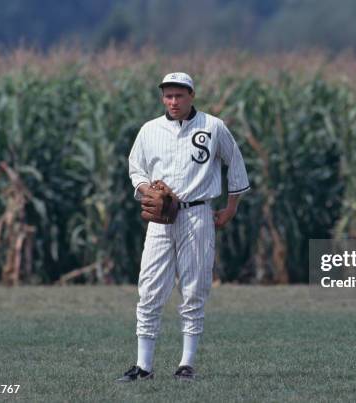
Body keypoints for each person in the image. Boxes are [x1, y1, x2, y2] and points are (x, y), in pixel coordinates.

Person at [116, 72, 250, 382]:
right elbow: (135, 167)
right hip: (161, 219)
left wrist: (231, 207)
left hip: (198, 214)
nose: (173, 101)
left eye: (179, 95)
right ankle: (143, 366)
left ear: (191, 95)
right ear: (162, 97)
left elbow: (236, 162)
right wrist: (146, 189)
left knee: (194, 289)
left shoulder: (212, 126)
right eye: (168, 95)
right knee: (149, 290)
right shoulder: (150, 130)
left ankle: (186, 364)